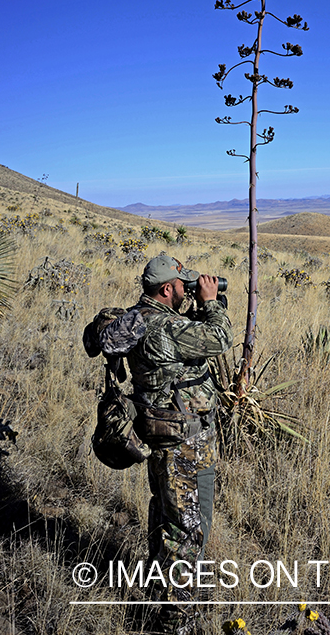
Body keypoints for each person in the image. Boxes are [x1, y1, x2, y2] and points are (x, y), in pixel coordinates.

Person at [126, 253, 233, 634]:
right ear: (167, 289)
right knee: (187, 532)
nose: (188, 290)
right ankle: (174, 623)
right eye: (182, 286)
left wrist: (202, 306)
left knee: (166, 520)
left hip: (163, 437)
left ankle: (158, 598)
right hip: (185, 447)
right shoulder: (168, 328)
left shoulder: (138, 319)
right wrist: (208, 303)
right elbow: (220, 339)